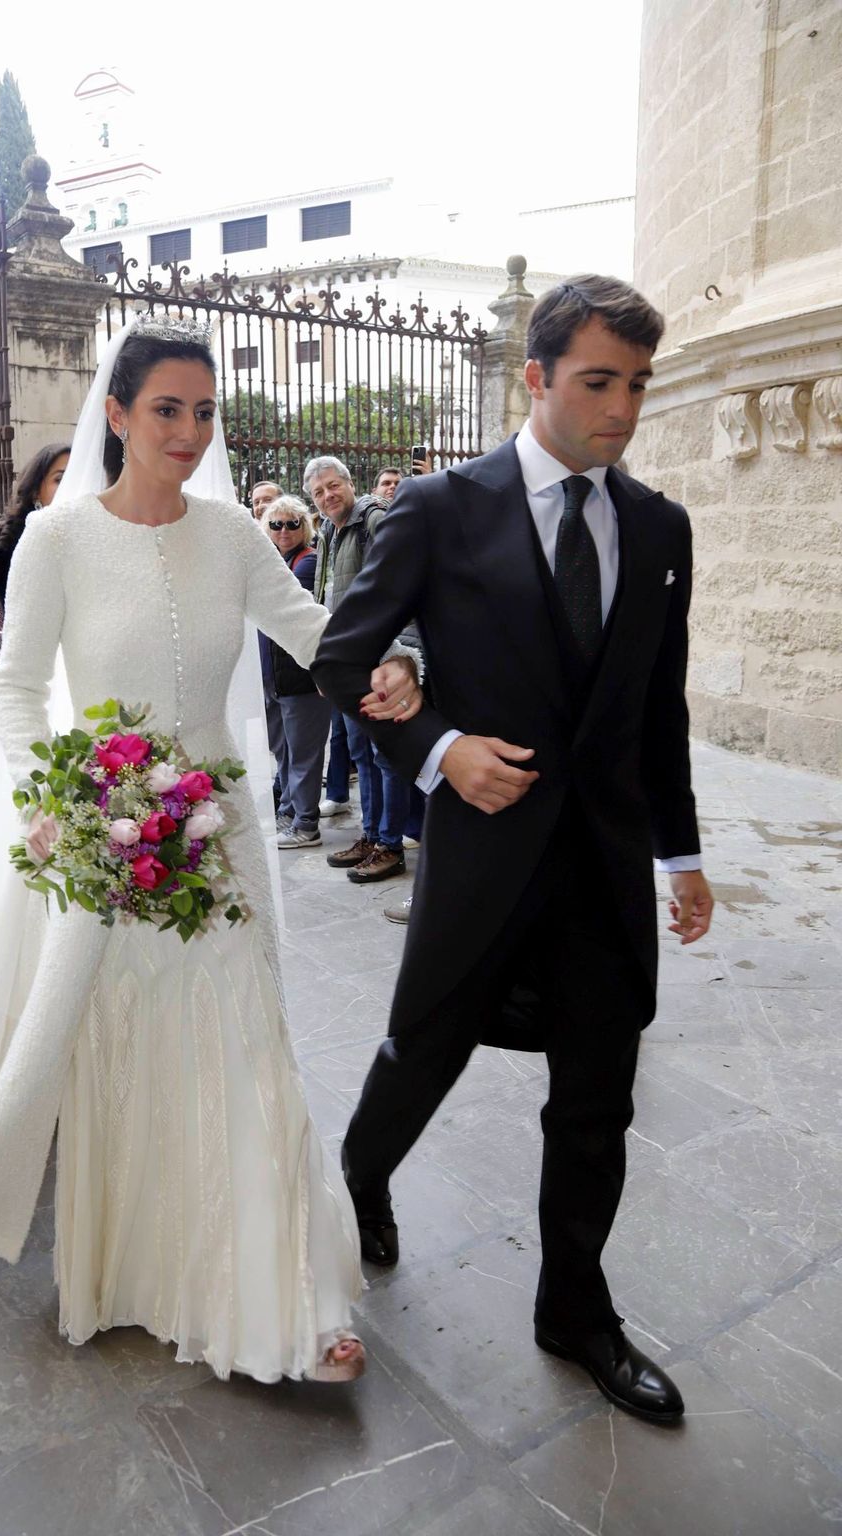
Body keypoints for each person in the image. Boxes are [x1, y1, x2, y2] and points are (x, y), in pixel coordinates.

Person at [0, 315, 420, 1391]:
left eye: (202, 412)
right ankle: (141, 1273)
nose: (188, 432)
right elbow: (13, 688)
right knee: (125, 1046)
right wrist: (50, 805)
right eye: (165, 410)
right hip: (104, 829)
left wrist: (390, 666)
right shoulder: (58, 539)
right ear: (118, 414)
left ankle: (277, 1288)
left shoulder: (233, 532)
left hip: (215, 830)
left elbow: (311, 627)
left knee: (240, 1037)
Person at [312, 274, 715, 1425]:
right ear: (533, 378)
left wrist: (679, 855)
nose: (623, 409)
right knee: (420, 1053)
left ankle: (575, 1311)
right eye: (598, 382)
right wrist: (439, 750)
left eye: (637, 383)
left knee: (597, 1098)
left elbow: (657, 708)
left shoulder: (658, 527)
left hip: (602, 869)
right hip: (480, 857)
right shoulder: (440, 507)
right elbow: (343, 660)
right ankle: (362, 1177)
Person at [308, 456, 410, 884]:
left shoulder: (373, 518)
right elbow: (323, 599)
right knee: (361, 755)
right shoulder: (329, 531)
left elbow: (397, 585)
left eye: (334, 486)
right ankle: (370, 836)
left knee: (387, 757)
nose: (328, 496)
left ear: (350, 484)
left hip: (379, 658)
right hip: (347, 662)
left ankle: (390, 844)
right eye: (318, 492)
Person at [258, 495, 332, 849]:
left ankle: (306, 823)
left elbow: (281, 607)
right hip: (276, 678)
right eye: (276, 524)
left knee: (303, 754)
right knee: (284, 750)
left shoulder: (306, 562)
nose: (284, 530)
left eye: (292, 523)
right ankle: (289, 810)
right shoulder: (275, 561)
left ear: (305, 527)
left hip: (301, 676)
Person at [0, 445, 70, 663]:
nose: (71, 484)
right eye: (60, 479)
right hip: (23, 670)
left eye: (77, 472)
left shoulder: (96, 538)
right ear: (35, 491)